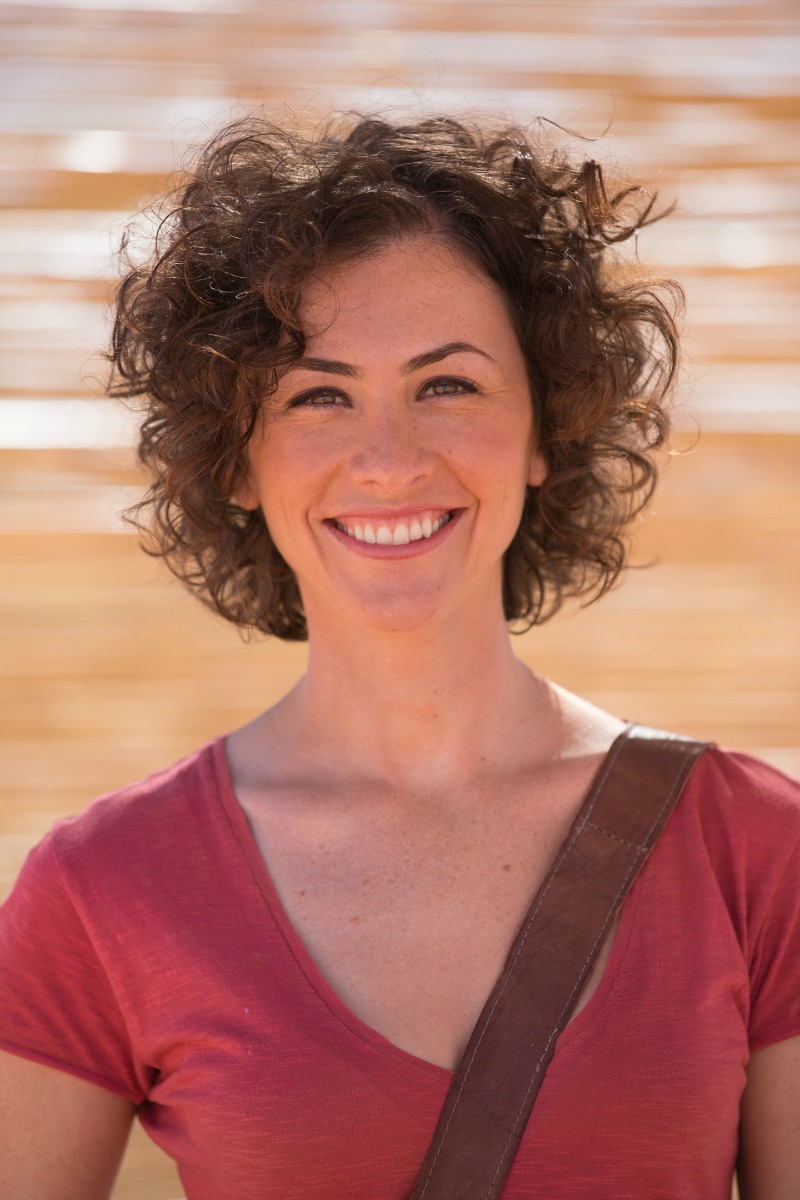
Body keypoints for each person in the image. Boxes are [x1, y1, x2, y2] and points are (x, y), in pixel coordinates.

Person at [0, 111, 798, 1200]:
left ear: (544, 432)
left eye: (447, 385)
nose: (387, 460)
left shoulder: (755, 852)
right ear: (235, 462)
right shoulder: (104, 890)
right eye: (318, 395)